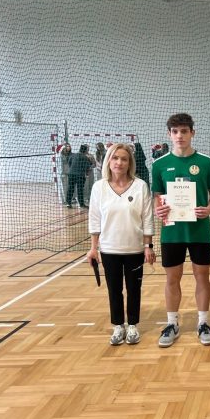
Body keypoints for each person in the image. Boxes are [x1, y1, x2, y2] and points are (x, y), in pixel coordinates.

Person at [152, 113, 210, 347]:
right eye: (175, 131)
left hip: (200, 231)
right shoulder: (159, 165)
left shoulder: (207, 163)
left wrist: (208, 209)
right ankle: (172, 323)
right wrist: (159, 209)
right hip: (172, 233)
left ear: (192, 132)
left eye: (184, 131)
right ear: (169, 134)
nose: (179, 135)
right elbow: (157, 197)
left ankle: (203, 323)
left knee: (202, 277)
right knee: (172, 278)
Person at [86, 143, 155, 345]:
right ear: (108, 161)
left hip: (134, 249)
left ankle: (132, 325)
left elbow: (147, 218)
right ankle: (118, 326)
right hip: (109, 249)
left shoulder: (140, 186)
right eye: (115, 158)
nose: (119, 162)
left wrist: (148, 246)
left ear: (130, 163)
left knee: (134, 289)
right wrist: (93, 248)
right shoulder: (99, 187)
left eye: (124, 159)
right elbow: (94, 219)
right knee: (114, 290)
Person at [66, 144, 92, 209]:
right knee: (80, 190)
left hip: (71, 174)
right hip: (80, 175)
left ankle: (68, 203)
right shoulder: (85, 157)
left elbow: (69, 163)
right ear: (85, 151)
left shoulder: (73, 155)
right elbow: (88, 166)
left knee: (70, 188)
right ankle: (81, 204)